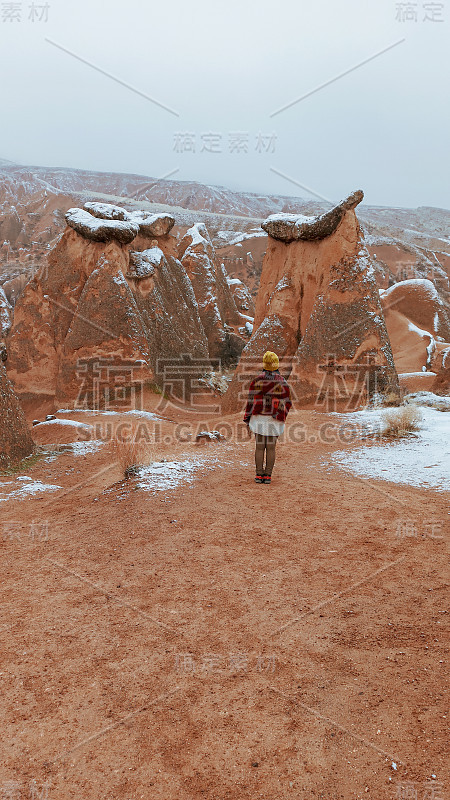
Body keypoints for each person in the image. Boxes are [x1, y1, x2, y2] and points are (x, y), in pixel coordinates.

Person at [243, 351, 292, 484]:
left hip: (259, 417)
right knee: (271, 447)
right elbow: (287, 402)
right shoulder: (282, 382)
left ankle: (259, 475)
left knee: (259, 447)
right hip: (274, 418)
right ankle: (268, 476)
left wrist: (247, 417)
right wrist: (280, 414)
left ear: (264, 364)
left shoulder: (257, 380)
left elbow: (251, 401)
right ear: (276, 364)